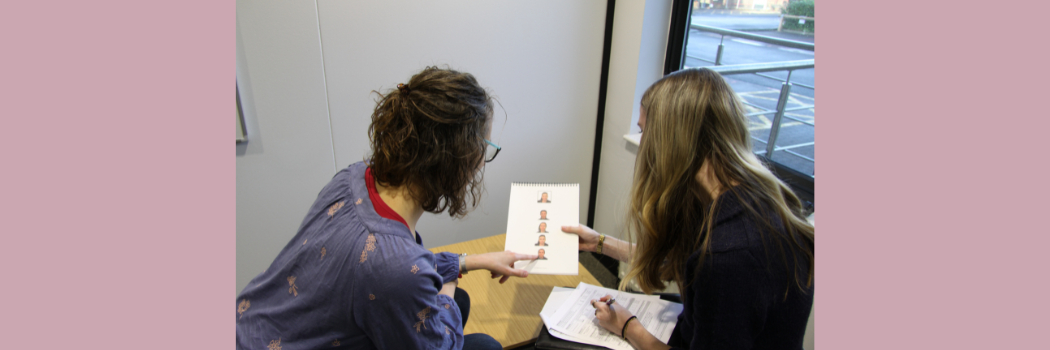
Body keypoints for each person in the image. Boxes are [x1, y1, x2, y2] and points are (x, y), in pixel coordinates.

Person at [235, 67, 537, 350]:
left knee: (457, 299)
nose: (482, 162)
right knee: (482, 340)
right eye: (483, 149)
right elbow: (396, 272)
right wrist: (447, 291)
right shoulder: (396, 267)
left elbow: (380, 263)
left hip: (249, 328)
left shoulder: (352, 178)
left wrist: (469, 261)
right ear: (454, 159)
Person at [563, 68, 814, 350]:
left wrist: (627, 326)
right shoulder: (753, 199)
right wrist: (599, 243)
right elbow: (678, 263)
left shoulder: (728, 257)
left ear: (672, 141)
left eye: (644, 131)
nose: (642, 142)